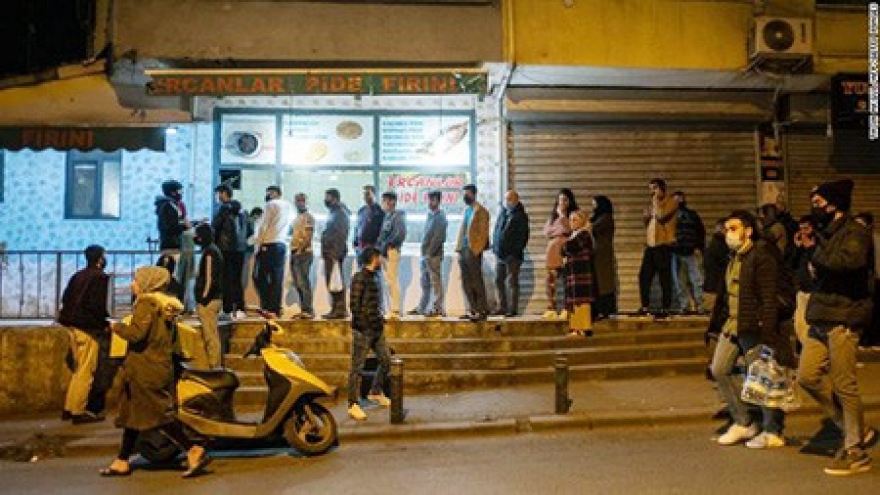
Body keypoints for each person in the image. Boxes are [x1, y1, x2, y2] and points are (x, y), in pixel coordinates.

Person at [101, 266, 211, 478]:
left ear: (147, 283)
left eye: (136, 280)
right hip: (155, 366)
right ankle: (122, 460)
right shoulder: (164, 305)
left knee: (159, 415)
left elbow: (136, 334)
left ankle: (192, 448)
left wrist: (116, 327)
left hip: (146, 369)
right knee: (133, 414)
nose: (132, 284)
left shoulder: (146, 304)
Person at [798, 180, 876, 476]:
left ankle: (855, 450)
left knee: (845, 384)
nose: (814, 208)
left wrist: (815, 253)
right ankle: (853, 427)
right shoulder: (825, 232)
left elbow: (847, 262)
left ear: (835, 204)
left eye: (818, 203)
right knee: (807, 376)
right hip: (821, 315)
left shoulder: (856, 232)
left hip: (844, 316)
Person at [708, 210, 793, 450]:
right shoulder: (734, 257)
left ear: (748, 231)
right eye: (727, 229)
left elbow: (769, 297)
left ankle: (772, 431)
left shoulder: (762, 256)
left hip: (753, 326)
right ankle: (744, 421)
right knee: (719, 369)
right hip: (733, 324)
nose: (728, 233)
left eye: (734, 228)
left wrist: (768, 331)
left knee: (763, 376)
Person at [58, 244, 110, 424]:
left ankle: (69, 407)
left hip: (71, 325)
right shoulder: (100, 277)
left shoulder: (77, 275)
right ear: (100, 259)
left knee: (79, 369)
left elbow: (66, 298)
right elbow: (97, 305)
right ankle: (78, 411)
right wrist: (104, 323)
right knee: (86, 370)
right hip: (87, 328)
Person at [347, 247, 392, 421]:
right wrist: (363, 324)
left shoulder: (375, 277)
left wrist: (379, 320)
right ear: (373, 258)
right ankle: (353, 403)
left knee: (386, 360)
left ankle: (376, 391)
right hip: (364, 330)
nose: (381, 260)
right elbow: (354, 304)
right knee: (356, 368)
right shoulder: (360, 277)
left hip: (377, 328)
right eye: (379, 257)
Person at [638, 178, 678, 318]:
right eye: (650, 189)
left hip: (663, 244)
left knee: (664, 277)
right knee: (644, 276)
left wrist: (655, 203)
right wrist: (646, 216)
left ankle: (666, 307)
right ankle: (645, 306)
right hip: (650, 245)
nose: (652, 192)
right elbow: (648, 223)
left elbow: (661, 216)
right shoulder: (651, 204)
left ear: (662, 189)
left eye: (654, 188)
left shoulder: (671, 202)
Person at [254, 185, 293, 316]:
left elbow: (263, 226)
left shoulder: (271, 205)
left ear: (276, 193)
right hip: (281, 245)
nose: (267, 195)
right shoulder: (288, 206)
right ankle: (275, 308)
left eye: (269, 193)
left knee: (260, 276)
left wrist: (258, 245)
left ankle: (266, 305)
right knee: (277, 278)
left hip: (269, 244)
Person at [211, 184, 247, 319]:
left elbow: (215, 226)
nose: (218, 197)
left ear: (224, 193)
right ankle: (239, 308)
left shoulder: (223, 208)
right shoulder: (242, 210)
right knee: (237, 280)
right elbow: (248, 229)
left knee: (225, 280)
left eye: (219, 193)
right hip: (240, 249)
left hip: (225, 248)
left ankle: (227, 309)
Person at [410, 190, 447, 318]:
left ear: (438, 201)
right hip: (425, 255)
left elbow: (439, 238)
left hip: (433, 256)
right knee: (425, 283)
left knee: (435, 282)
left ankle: (438, 308)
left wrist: (429, 253)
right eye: (429, 200)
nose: (430, 203)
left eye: (433, 200)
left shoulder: (440, 217)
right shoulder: (430, 215)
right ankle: (422, 307)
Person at [492, 190, 530, 317]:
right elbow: (497, 230)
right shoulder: (503, 213)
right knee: (498, 280)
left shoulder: (520, 216)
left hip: (512, 256)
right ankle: (501, 306)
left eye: (510, 199)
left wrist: (514, 252)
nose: (507, 202)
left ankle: (512, 309)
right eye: (506, 199)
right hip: (500, 254)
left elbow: (523, 237)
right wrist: (495, 247)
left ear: (516, 200)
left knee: (512, 282)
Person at [456, 184, 490, 322]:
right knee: (466, 281)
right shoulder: (466, 210)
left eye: (467, 193)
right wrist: (459, 248)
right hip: (463, 249)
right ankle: (472, 309)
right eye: (464, 194)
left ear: (474, 194)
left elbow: (483, 233)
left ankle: (482, 309)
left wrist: (476, 249)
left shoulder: (481, 211)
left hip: (473, 250)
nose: (465, 196)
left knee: (476, 281)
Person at [154, 180, 192, 303]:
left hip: (174, 244)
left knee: (173, 274)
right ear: (172, 192)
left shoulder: (171, 205)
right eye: (179, 191)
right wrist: (185, 226)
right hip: (171, 245)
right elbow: (170, 227)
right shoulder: (167, 206)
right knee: (170, 275)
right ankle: (169, 301)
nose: (181, 193)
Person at [543, 189, 578, 319]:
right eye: (560, 199)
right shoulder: (553, 216)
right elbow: (546, 231)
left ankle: (566, 308)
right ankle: (551, 307)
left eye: (565, 200)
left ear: (570, 201)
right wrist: (558, 227)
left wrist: (562, 218)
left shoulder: (572, 214)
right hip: (552, 249)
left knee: (567, 280)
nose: (562, 202)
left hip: (566, 249)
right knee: (550, 280)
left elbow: (569, 229)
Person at [672, 191, 706, 314]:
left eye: (680, 199)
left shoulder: (692, 215)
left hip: (691, 251)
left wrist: (699, 247)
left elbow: (701, 231)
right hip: (676, 253)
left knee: (697, 280)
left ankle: (700, 305)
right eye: (675, 200)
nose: (678, 202)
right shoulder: (670, 216)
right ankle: (684, 306)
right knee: (679, 282)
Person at [194, 223, 223, 368]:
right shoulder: (213, 250)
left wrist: (203, 299)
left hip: (209, 300)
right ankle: (214, 364)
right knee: (211, 335)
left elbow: (209, 278)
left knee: (210, 336)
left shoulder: (210, 253)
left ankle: (214, 365)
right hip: (214, 298)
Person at [562, 210, 595, 338]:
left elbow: (569, 247)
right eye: (570, 220)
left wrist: (565, 247)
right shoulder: (574, 235)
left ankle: (583, 327)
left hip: (581, 272)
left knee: (582, 302)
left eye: (575, 220)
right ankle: (575, 327)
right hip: (573, 272)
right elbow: (563, 249)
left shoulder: (584, 234)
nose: (571, 222)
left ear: (582, 221)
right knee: (574, 302)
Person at [375, 191, 407, 319]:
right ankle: (391, 309)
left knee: (392, 280)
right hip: (384, 252)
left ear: (392, 202)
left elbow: (400, 234)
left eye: (385, 201)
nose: (383, 203)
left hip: (392, 251)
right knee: (388, 280)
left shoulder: (398, 216)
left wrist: (387, 245)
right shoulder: (387, 216)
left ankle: (395, 309)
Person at [321, 188, 351, 319]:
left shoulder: (340, 213)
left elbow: (341, 234)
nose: (326, 200)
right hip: (331, 252)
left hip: (334, 253)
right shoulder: (334, 212)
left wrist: (335, 253)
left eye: (328, 197)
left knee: (336, 281)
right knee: (333, 281)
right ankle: (336, 308)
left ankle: (340, 309)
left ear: (335, 198)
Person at [791, 215, 818, 347]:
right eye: (801, 229)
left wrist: (810, 248)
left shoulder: (818, 245)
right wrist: (798, 248)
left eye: (806, 229)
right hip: (802, 290)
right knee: (800, 324)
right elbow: (792, 264)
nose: (803, 233)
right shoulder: (801, 247)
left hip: (814, 291)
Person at [854, 212, 880, 348]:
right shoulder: (853, 241)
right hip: (859, 282)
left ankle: (872, 338)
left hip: (875, 281)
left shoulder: (875, 239)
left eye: (861, 224)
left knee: (874, 312)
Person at [590, 195, 617, 320]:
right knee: (598, 281)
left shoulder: (606, 218)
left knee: (604, 282)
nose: (593, 207)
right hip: (597, 253)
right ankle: (599, 309)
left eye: (595, 204)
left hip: (603, 254)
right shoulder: (599, 217)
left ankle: (606, 309)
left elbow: (592, 227)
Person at [290, 193, 316, 320]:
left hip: (304, 253)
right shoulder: (296, 217)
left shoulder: (308, 217)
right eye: (297, 200)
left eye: (302, 200)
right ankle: (303, 310)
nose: (300, 203)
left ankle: (308, 310)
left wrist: (300, 250)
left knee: (303, 283)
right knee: (298, 284)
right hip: (294, 252)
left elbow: (308, 236)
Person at [354, 185, 385, 267]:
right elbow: (356, 227)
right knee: (361, 271)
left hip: (372, 248)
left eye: (368, 194)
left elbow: (383, 231)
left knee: (372, 271)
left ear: (374, 195)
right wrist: (355, 242)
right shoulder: (361, 211)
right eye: (364, 194)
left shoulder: (380, 212)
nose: (365, 197)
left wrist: (376, 246)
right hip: (360, 248)